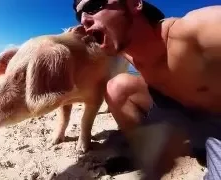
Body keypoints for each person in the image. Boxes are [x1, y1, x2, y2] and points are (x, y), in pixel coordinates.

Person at [72, 0, 221, 179]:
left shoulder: (193, 31)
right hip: (174, 111)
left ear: (135, 4)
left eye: (94, 6)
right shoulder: (124, 49)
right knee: (117, 87)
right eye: (78, 15)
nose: (83, 20)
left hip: (215, 123)